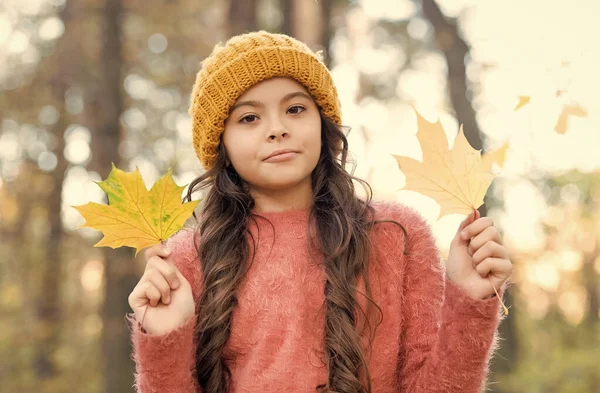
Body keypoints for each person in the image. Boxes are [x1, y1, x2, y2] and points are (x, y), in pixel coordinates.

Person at [126, 31, 512, 393]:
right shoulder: (184, 261)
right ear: (221, 145)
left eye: (295, 109)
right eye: (249, 118)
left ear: (323, 124)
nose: (277, 129)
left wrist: (469, 302)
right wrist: (164, 339)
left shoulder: (396, 235)